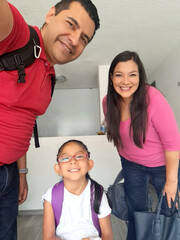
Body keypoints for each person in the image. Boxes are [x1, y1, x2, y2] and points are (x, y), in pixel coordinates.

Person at [0, 0, 100, 239]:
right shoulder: (19, 37)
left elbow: (24, 124)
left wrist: (21, 173)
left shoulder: (50, 76)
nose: (75, 40)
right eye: (71, 24)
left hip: (9, 175)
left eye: (84, 38)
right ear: (50, 14)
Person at [102, 50, 180, 240]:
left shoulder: (152, 98)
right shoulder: (108, 102)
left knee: (169, 210)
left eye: (132, 75)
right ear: (111, 78)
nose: (125, 81)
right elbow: (120, 138)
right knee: (136, 211)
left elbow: (173, 143)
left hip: (163, 165)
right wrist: (126, 159)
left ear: (140, 77)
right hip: (132, 165)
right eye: (119, 75)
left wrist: (172, 181)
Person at [42, 139, 113, 240]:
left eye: (79, 156)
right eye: (66, 158)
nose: (73, 161)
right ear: (58, 169)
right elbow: (48, 237)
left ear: (89, 164)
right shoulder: (51, 196)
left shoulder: (98, 193)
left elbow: (108, 235)